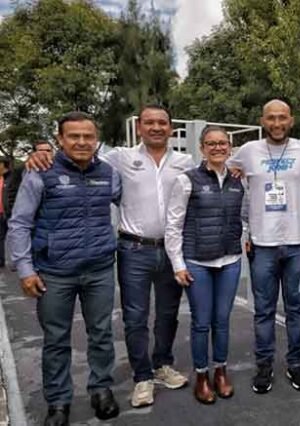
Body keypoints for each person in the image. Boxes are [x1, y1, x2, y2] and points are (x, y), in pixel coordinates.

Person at [28, 105, 195, 408]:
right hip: (133, 250)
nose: (156, 127)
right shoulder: (119, 158)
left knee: (169, 315)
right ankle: (142, 377)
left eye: (162, 123)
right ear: (140, 128)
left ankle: (162, 365)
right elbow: (76, 157)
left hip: (171, 250)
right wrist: (42, 155)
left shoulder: (186, 161)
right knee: (135, 317)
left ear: (171, 128)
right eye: (149, 123)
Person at [8, 112, 121, 426]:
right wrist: (25, 269)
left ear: (95, 139)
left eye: (88, 136)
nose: (82, 142)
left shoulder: (109, 173)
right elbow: (19, 224)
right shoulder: (40, 173)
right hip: (55, 272)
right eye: (74, 136)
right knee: (56, 338)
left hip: (99, 269)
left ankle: (101, 389)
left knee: (101, 334)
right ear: (60, 139)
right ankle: (58, 402)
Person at [228, 99, 300, 394]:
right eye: (271, 118)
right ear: (262, 120)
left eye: (282, 117)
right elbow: (223, 169)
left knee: (297, 309)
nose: (277, 123)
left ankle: (295, 363)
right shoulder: (247, 152)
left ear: (291, 120)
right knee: (264, 310)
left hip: (297, 244)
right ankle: (264, 366)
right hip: (263, 245)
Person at [165, 126, 247, 404]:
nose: (217, 148)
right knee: (202, 323)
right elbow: (173, 225)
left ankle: (220, 371)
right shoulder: (186, 180)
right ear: (202, 148)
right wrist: (178, 264)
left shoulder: (238, 180)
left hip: (230, 260)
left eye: (222, 143)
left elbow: (243, 216)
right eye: (211, 144)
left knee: (221, 321)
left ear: (230, 147)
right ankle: (202, 375)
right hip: (197, 261)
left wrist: (246, 239)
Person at [0, 158, 9, 267]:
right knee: (1, 238)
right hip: (0, 213)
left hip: (8, 212)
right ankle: (1, 260)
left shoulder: (10, 178)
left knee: (14, 237)